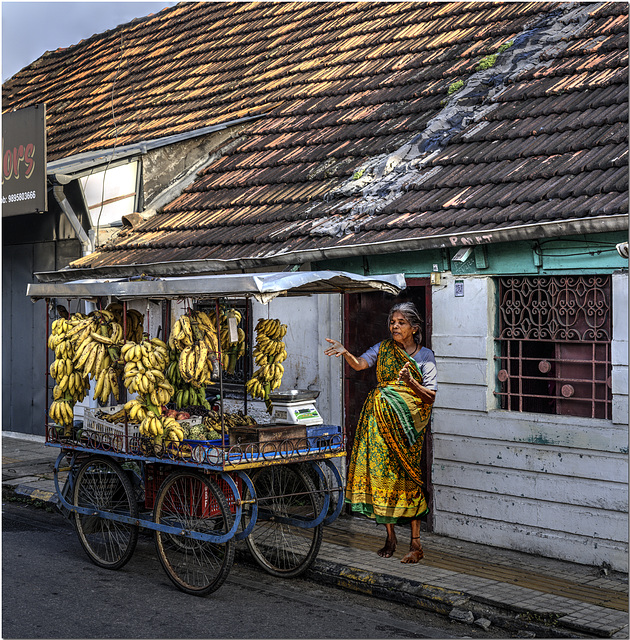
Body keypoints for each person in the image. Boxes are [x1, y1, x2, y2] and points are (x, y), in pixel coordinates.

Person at [324, 302, 437, 564]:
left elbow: (430, 396)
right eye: (392, 322)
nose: (395, 326)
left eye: (401, 322)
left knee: (408, 479)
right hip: (377, 425)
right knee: (381, 476)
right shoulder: (383, 348)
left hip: (408, 430)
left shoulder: (425, 356)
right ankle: (390, 537)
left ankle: (416, 543)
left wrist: (410, 383)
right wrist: (345, 353)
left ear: (414, 328)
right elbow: (362, 364)